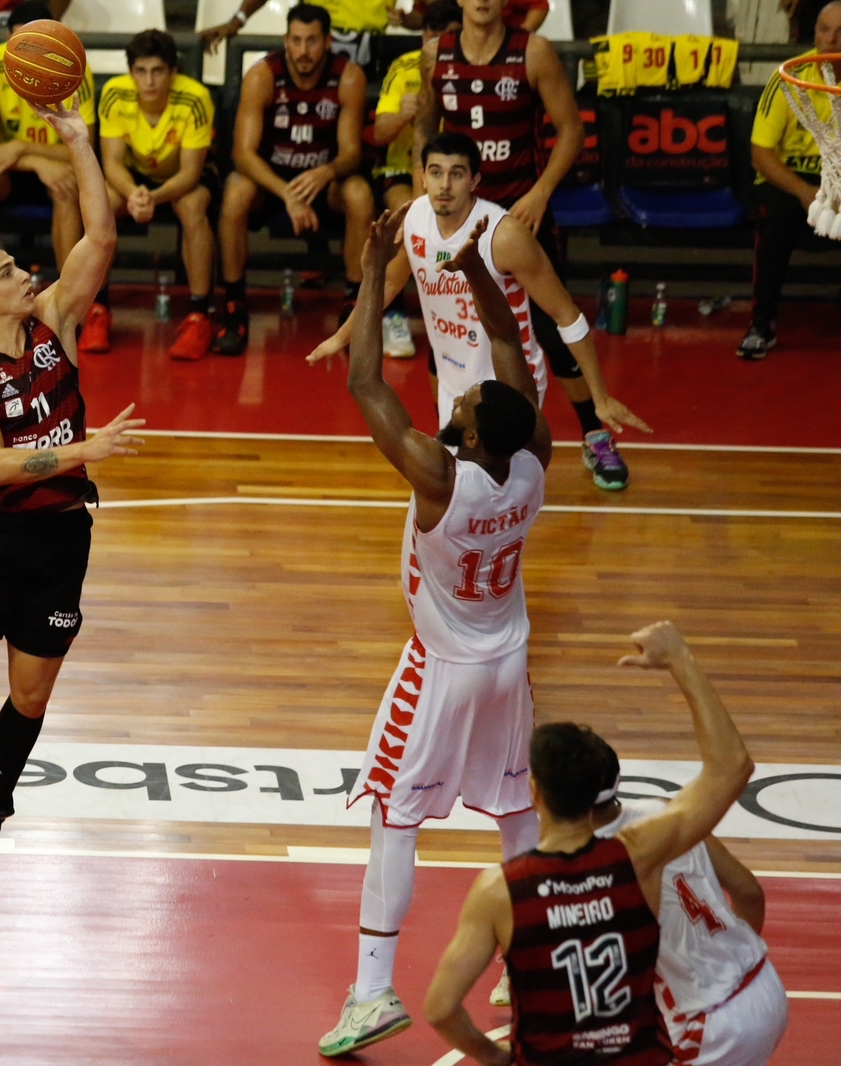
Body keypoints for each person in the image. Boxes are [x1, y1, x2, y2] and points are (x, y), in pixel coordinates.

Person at [316, 204, 551, 1058]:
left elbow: (366, 384)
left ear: (473, 430)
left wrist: (377, 268)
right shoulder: (534, 458)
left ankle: (372, 993)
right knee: (520, 811)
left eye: (471, 401)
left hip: (443, 666)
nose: (464, 395)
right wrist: (477, 268)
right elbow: (510, 350)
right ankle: (531, 961)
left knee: (394, 815)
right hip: (510, 658)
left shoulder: (438, 478)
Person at [0, 104, 144, 878]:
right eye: (7, 271)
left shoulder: (55, 322)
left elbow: (101, 240)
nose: (25, 273)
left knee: (33, 695)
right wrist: (86, 448)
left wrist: (79, 144)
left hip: (62, 536)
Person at [424, 621, 756, 1066]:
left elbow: (441, 1008)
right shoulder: (641, 854)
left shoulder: (500, 890)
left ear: (534, 792)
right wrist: (680, 660)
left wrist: (495, 1057)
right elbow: (731, 767)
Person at [309, 135, 651, 479]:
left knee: (487, 485)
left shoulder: (504, 236)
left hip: (509, 384)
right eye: (436, 172)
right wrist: (341, 337)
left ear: (474, 181)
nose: (444, 185)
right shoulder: (414, 219)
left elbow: (566, 314)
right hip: (453, 382)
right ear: (423, 176)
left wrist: (601, 397)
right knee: (456, 487)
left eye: (456, 174)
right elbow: (389, 282)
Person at [411, 0, 640, 490]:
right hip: (459, 223)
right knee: (444, 334)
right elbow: (425, 128)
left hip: (520, 218)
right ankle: (449, 438)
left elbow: (572, 131)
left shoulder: (533, 52)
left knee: (552, 334)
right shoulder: (435, 55)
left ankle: (595, 434)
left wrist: (540, 192)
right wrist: (423, 193)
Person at [586, 735, 789, 1065]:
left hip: (710, 1021)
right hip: (763, 983)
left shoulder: (592, 867)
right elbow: (749, 892)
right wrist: (730, 966)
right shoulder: (665, 812)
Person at [214, 3, 373, 356]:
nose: (303, 51)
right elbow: (242, 154)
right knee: (236, 192)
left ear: (328, 41)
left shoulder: (348, 76)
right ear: (286, 40)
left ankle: (353, 306)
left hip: (323, 182)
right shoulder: (263, 75)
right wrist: (287, 192)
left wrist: (327, 171)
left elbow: (351, 153)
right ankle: (233, 304)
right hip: (273, 185)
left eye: (312, 41)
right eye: (296, 41)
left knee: (360, 193)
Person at [94, 29, 217, 360]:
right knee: (101, 203)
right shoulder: (114, 93)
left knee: (192, 207)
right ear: (131, 72)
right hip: (135, 177)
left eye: (158, 71)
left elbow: (191, 174)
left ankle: (199, 314)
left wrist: (153, 198)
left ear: (173, 72)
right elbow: (112, 163)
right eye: (141, 71)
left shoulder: (195, 98)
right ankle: (97, 309)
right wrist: (134, 194)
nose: (149, 81)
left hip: (181, 178)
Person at [0, 1, 96, 278]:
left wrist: (21, 147)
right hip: (12, 171)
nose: (27, 54)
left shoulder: (75, 74)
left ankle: (69, 302)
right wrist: (37, 163)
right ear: (6, 41)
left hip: (54, 168)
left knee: (68, 188)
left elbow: (85, 149)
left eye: (36, 45)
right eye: (19, 43)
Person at [740, 1, 840, 360]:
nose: (830, 40)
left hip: (839, 177)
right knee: (777, 215)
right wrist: (805, 192)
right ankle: (761, 323)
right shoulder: (788, 77)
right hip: (791, 179)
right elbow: (760, 153)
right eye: (823, 30)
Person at [368, 0, 461, 356]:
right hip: (400, 172)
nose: (437, 47)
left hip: (456, 177)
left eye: (448, 38)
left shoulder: (467, 72)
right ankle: (393, 316)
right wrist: (403, 116)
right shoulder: (403, 68)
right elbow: (379, 133)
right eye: (432, 37)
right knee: (405, 216)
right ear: (423, 35)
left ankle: (465, 315)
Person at [200, 0, 397, 66]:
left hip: (373, 51)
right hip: (316, 46)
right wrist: (238, 20)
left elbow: (423, 15)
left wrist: (404, 18)